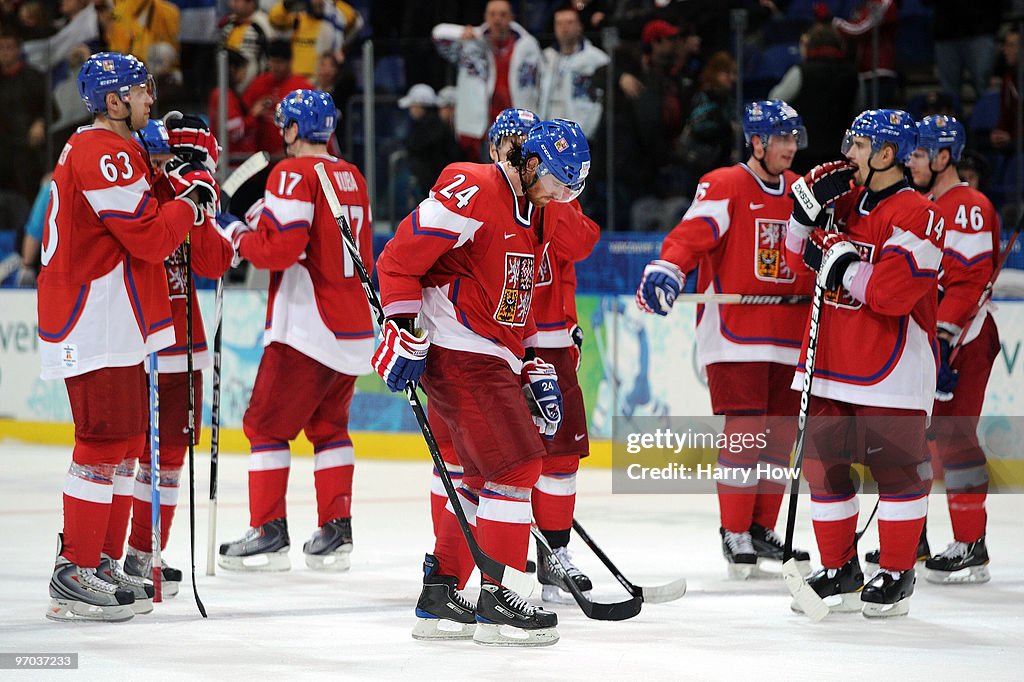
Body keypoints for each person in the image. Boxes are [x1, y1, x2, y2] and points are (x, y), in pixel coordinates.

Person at [374, 119, 590, 646]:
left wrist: (531, 361)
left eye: (571, 189)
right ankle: (498, 598)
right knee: (517, 466)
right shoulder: (473, 186)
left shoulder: (536, 212)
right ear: (530, 163)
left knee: (477, 477)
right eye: (557, 183)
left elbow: (516, 297)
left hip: (494, 357)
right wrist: (400, 326)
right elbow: (399, 258)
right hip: (460, 351)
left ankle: (441, 591)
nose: (562, 196)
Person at [39, 51, 216, 622]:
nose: (149, 99)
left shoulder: (114, 149)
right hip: (95, 313)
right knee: (102, 439)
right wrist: (189, 206)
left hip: (114, 316)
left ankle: (102, 560)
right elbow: (146, 238)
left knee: (119, 442)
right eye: (141, 91)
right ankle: (75, 570)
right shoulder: (103, 150)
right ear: (113, 102)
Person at [636, 100, 814, 579]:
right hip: (736, 332)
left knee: (779, 437)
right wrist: (669, 266)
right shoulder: (725, 184)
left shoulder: (803, 190)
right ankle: (734, 529)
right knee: (746, 431)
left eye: (795, 138)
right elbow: (694, 234)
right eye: (782, 138)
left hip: (789, 331)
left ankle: (762, 527)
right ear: (756, 142)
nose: (790, 147)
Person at [782, 109, 943, 618]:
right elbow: (797, 262)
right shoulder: (842, 202)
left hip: (891, 370)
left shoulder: (919, 213)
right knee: (824, 469)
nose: (846, 154)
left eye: (857, 144)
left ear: (886, 154)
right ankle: (839, 568)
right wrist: (801, 216)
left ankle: (897, 571)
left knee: (896, 471)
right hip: (831, 361)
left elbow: (892, 293)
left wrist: (845, 264)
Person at [217, 89, 374, 574]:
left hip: (307, 325)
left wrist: (234, 231)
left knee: (265, 426)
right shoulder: (351, 175)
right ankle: (336, 529)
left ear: (291, 129)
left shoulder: (292, 172)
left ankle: (268, 530)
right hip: (352, 328)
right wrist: (256, 220)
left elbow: (280, 250)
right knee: (329, 428)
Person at [113, 118, 233, 596]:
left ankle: (144, 553)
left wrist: (198, 205)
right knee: (127, 453)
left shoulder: (184, 187)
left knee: (167, 458)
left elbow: (214, 261)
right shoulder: (135, 189)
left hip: (182, 347)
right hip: (138, 339)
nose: (164, 167)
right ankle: (107, 558)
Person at [906, 115, 999, 584]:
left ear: (944, 157)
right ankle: (911, 537)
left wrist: (944, 337)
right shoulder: (921, 204)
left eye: (919, 154)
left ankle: (970, 543)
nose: (911, 161)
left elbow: (968, 281)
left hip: (965, 342)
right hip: (930, 345)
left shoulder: (969, 206)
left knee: (957, 439)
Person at [432, 0, 541, 161]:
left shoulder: (528, 45)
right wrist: (468, 33)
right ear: (485, 17)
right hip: (482, 126)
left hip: (518, 126)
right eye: (492, 14)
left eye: (503, 15)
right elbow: (438, 34)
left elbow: (540, 83)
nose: (497, 20)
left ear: (512, 17)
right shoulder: (471, 44)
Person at [537, 5, 609, 139]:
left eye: (569, 23)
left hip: (582, 132)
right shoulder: (545, 57)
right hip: (548, 132)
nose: (564, 28)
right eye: (559, 23)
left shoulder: (597, 59)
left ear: (579, 27)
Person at [242, 39, 314, 156]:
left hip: (291, 157)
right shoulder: (259, 83)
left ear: (290, 62)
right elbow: (244, 114)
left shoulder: (303, 88)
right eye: (273, 61)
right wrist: (254, 112)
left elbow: (312, 126)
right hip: (260, 157)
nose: (276, 67)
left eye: (280, 62)